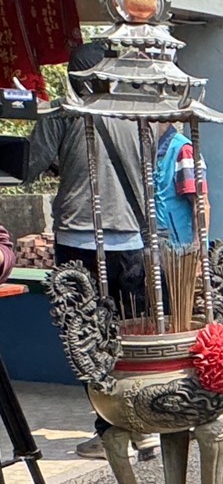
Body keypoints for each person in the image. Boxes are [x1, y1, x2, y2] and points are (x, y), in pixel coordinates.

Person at [26, 41, 156, 461]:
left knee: (89, 339)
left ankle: (109, 429)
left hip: (82, 239)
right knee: (131, 335)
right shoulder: (137, 113)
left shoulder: (65, 111)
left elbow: (29, 165)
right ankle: (146, 426)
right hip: (134, 239)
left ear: (74, 77)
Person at [153, 122, 209, 247]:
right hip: (158, 243)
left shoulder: (184, 150)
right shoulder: (151, 150)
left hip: (182, 247)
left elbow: (200, 204)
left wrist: (198, 249)